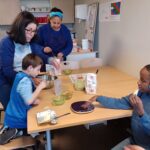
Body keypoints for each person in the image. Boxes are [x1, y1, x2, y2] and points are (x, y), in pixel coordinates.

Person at [82, 64, 150, 150]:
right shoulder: (140, 93)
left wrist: (141, 113)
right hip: (134, 141)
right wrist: (98, 98)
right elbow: (120, 102)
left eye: (143, 81)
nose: (138, 82)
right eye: (140, 78)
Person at [0, 11, 50, 110]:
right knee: (16, 110)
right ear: (20, 28)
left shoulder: (30, 41)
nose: (31, 34)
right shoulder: (7, 43)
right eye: (29, 30)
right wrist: (30, 80)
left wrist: (51, 59)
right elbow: (7, 71)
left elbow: (40, 53)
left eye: (34, 31)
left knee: (33, 108)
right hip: (7, 82)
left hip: (24, 79)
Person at [0, 53, 47, 145]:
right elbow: (28, 100)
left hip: (12, 114)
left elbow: (23, 95)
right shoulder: (25, 81)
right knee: (41, 123)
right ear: (30, 68)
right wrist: (39, 88)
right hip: (17, 118)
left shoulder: (20, 75)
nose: (39, 72)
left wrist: (33, 100)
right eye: (38, 69)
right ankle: (16, 131)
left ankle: (19, 130)